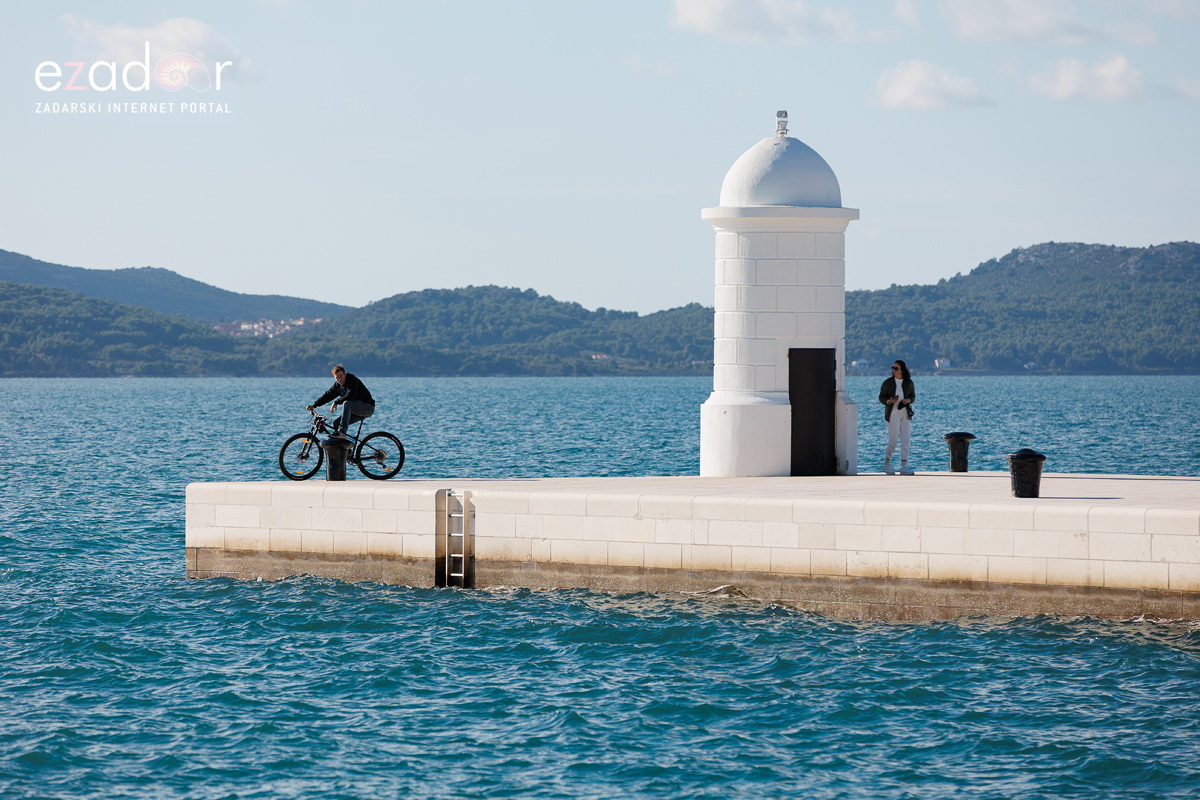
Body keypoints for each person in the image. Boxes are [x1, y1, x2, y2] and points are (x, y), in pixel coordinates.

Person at [307, 364, 375, 437]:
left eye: (341, 376)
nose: (339, 379)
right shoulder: (337, 386)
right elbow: (327, 396)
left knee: (347, 403)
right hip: (355, 411)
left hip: (368, 408)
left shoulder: (352, 380)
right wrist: (315, 405)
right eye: (337, 377)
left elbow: (351, 396)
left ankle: (342, 433)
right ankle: (341, 442)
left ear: (345, 374)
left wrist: (336, 402)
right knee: (336, 423)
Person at [879, 359, 915, 475]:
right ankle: (886, 463)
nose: (893, 370)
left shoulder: (908, 382)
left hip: (905, 413)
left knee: (906, 440)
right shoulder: (887, 383)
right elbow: (881, 397)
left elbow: (913, 396)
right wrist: (889, 401)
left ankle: (904, 466)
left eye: (896, 368)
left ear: (902, 370)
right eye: (893, 368)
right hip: (892, 413)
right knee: (893, 440)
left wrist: (908, 400)